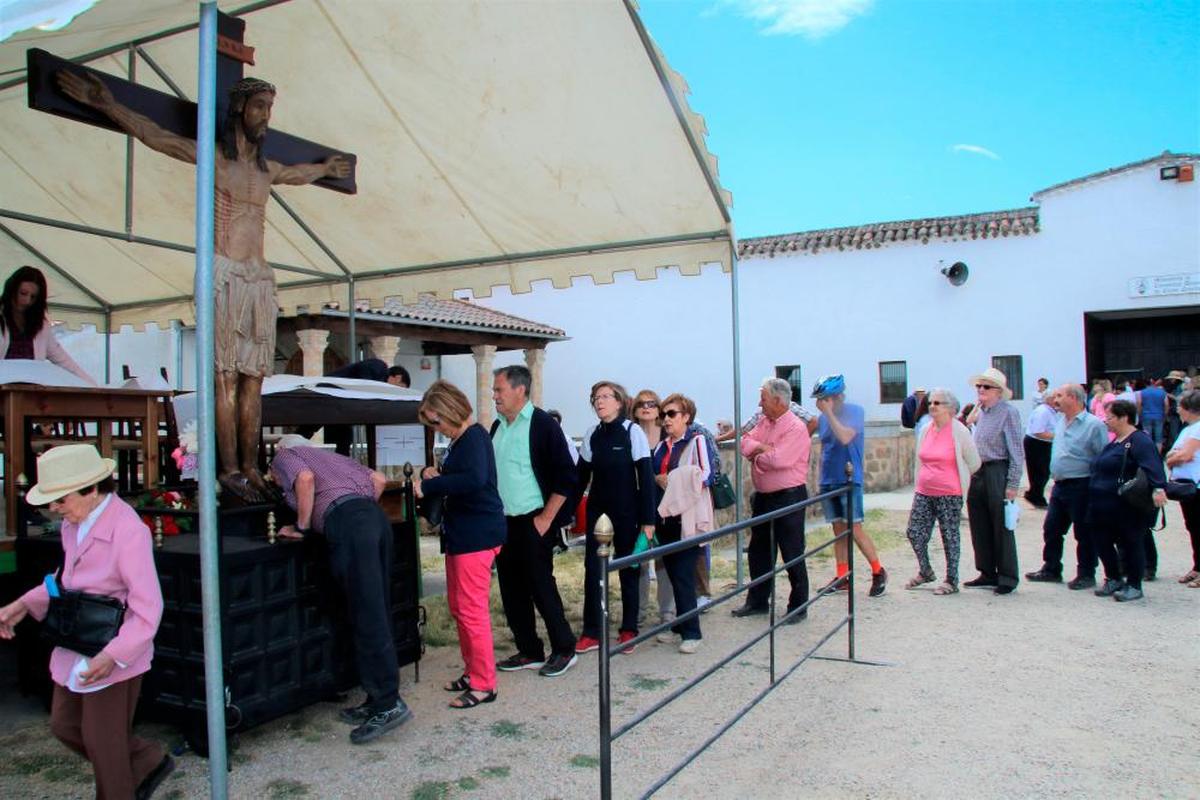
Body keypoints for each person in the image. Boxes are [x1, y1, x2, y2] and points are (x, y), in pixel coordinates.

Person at [57, 70, 351, 503]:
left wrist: (326, 168)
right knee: (225, 375)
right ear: (238, 109)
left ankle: (250, 465)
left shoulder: (267, 168)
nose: (266, 115)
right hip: (224, 272)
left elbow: (299, 173)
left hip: (259, 278)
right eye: (259, 106)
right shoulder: (215, 158)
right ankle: (229, 467)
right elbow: (157, 136)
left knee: (254, 378)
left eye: (270, 107)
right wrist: (107, 104)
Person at [0, 444, 173, 800]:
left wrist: (113, 655)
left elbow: (148, 607)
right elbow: (67, 578)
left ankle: (128, 777)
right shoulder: (73, 523)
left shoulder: (129, 531)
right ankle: (145, 759)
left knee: (103, 744)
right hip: (77, 640)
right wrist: (24, 602)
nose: (54, 509)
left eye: (60, 500)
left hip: (113, 648)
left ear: (91, 489)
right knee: (65, 725)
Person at [269, 435, 411, 743]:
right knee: (375, 608)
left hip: (348, 524)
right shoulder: (331, 457)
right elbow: (378, 479)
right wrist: (361, 514)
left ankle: (388, 704)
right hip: (373, 519)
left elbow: (304, 480)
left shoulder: (288, 454)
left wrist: (302, 527)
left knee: (367, 615)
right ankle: (377, 697)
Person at [414, 380, 506, 708]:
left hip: (477, 534)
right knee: (460, 608)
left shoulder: (475, 436)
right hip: (462, 534)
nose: (435, 427)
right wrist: (435, 474)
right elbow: (463, 476)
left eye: (436, 421)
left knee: (471, 611)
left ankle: (485, 684)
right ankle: (473, 672)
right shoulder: (460, 441)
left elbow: (475, 479)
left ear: (450, 411)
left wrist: (433, 484)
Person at [489, 366, 579, 677]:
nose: (494, 395)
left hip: (534, 521)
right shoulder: (497, 426)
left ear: (519, 390)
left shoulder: (542, 424)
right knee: (511, 590)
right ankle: (529, 650)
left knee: (541, 586)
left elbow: (567, 476)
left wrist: (545, 519)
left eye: (499, 390)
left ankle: (565, 648)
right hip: (504, 523)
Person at [576, 380, 655, 655]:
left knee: (628, 569)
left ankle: (629, 629)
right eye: (596, 397)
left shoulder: (632, 432)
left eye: (605, 396)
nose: (599, 401)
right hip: (598, 512)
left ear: (619, 402)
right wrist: (566, 515)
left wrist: (647, 522)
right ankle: (592, 631)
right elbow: (579, 479)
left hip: (627, 512)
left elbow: (645, 479)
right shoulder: (591, 435)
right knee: (593, 570)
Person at [733, 377, 813, 620]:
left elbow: (780, 460)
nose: (760, 403)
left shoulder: (795, 428)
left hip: (788, 498)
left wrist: (758, 454)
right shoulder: (765, 422)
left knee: (791, 551)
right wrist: (762, 449)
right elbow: (744, 442)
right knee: (759, 551)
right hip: (764, 497)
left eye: (764, 398)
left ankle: (798, 606)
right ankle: (757, 601)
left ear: (778, 400)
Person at [1025, 384, 1109, 588]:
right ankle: (1051, 568)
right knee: (1052, 527)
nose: (1055, 400)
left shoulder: (1093, 425)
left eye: (1060, 396)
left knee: (1083, 531)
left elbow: (1102, 456)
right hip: (1060, 484)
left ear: (1073, 398)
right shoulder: (1061, 421)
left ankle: (1086, 573)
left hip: (1082, 483)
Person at [813, 375, 888, 596]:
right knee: (838, 531)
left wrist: (828, 413)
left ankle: (878, 571)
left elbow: (845, 437)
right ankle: (842, 576)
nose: (819, 403)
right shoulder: (822, 418)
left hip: (849, 479)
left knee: (854, 528)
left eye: (822, 399)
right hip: (828, 479)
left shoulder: (854, 411)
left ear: (835, 397)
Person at [1088, 400, 1167, 602]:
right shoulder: (1115, 441)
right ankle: (1113, 577)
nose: (1106, 421)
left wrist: (1158, 488)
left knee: (1131, 542)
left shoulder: (1139, 440)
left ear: (1124, 418)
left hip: (1125, 505)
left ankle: (1134, 584)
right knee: (1102, 541)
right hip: (1102, 503)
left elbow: (1153, 466)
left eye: (1110, 417)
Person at [904, 389, 980, 595]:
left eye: (938, 403)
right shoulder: (926, 429)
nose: (932, 406)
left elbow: (974, 463)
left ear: (950, 408)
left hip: (949, 492)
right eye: (931, 402)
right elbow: (920, 459)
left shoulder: (960, 431)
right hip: (924, 490)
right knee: (914, 532)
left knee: (949, 535)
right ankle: (926, 570)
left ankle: (951, 579)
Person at [651, 393, 711, 652]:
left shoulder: (696, 441)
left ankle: (692, 633)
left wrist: (674, 479)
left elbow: (707, 474)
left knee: (684, 575)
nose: (666, 419)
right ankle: (680, 624)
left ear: (686, 417)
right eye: (663, 414)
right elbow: (653, 474)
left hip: (686, 518)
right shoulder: (661, 446)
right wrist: (658, 479)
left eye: (672, 414)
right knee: (674, 574)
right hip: (665, 518)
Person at [963, 367, 1024, 594]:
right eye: (979, 386)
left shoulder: (1008, 413)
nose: (980, 390)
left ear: (998, 391)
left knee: (1001, 524)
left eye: (986, 387)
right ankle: (987, 571)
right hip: (978, 470)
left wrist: (1012, 484)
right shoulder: (982, 413)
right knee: (979, 522)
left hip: (997, 469)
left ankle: (1007, 575)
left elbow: (1016, 450)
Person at [0, 266, 95, 384]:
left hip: (30, 394)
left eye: (33, 297)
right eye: (23, 293)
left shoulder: (41, 327)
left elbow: (64, 362)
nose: (27, 300)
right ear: (12, 289)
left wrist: (92, 386)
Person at [632, 390, 676, 630]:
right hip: (638, 507)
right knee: (639, 560)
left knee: (664, 560)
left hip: (664, 505)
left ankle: (667, 613)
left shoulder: (667, 437)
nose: (646, 407)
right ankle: (638, 612)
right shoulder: (630, 435)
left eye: (652, 403)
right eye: (641, 404)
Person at [1165, 389, 1200, 588]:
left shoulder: (1197, 429)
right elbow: (1172, 455)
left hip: (1196, 485)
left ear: (1189, 409)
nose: (1177, 410)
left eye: (1180, 406)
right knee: (1193, 527)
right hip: (1186, 485)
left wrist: (1173, 458)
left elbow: (1184, 455)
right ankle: (1197, 566)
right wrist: (1173, 457)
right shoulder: (1188, 429)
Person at [1023, 389, 1058, 508]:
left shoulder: (1050, 411)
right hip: (1038, 444)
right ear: (1049, 399)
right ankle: (1035, 496)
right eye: (1055, 397)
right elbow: (1038, 431)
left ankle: (1035, 494)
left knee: (1043, 472)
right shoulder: (1043, 411)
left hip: (1043, 443)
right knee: (1040, 472)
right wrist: (1059, 436)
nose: (1057, 400)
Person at [1138, 379, 1169, 452]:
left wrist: (1139, 414)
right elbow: (1166, 404)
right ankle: (1158, 455)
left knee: (1147, 437)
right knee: (1159, 438)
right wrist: (1165, 415)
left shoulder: (1142, 392)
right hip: (1159, 416)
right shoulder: (1162, 392)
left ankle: (1149, 454)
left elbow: (1139, 403)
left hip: (1146, 416)